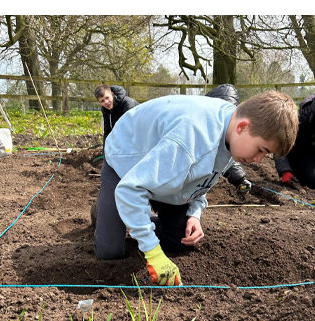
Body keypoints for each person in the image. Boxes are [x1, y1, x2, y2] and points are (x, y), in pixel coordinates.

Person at [94, 91, 297, 285]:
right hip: (126, 163)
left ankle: (130, 212)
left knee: (179, 239)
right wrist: (153, 253)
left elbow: (204, 174)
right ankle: (105, 210)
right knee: (109, 252)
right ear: (242, 127)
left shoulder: (231, 134)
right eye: (261, 150)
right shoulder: (189, 140)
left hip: (167, 172)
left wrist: (194, 215)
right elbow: (130, 188)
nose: (259, 160)